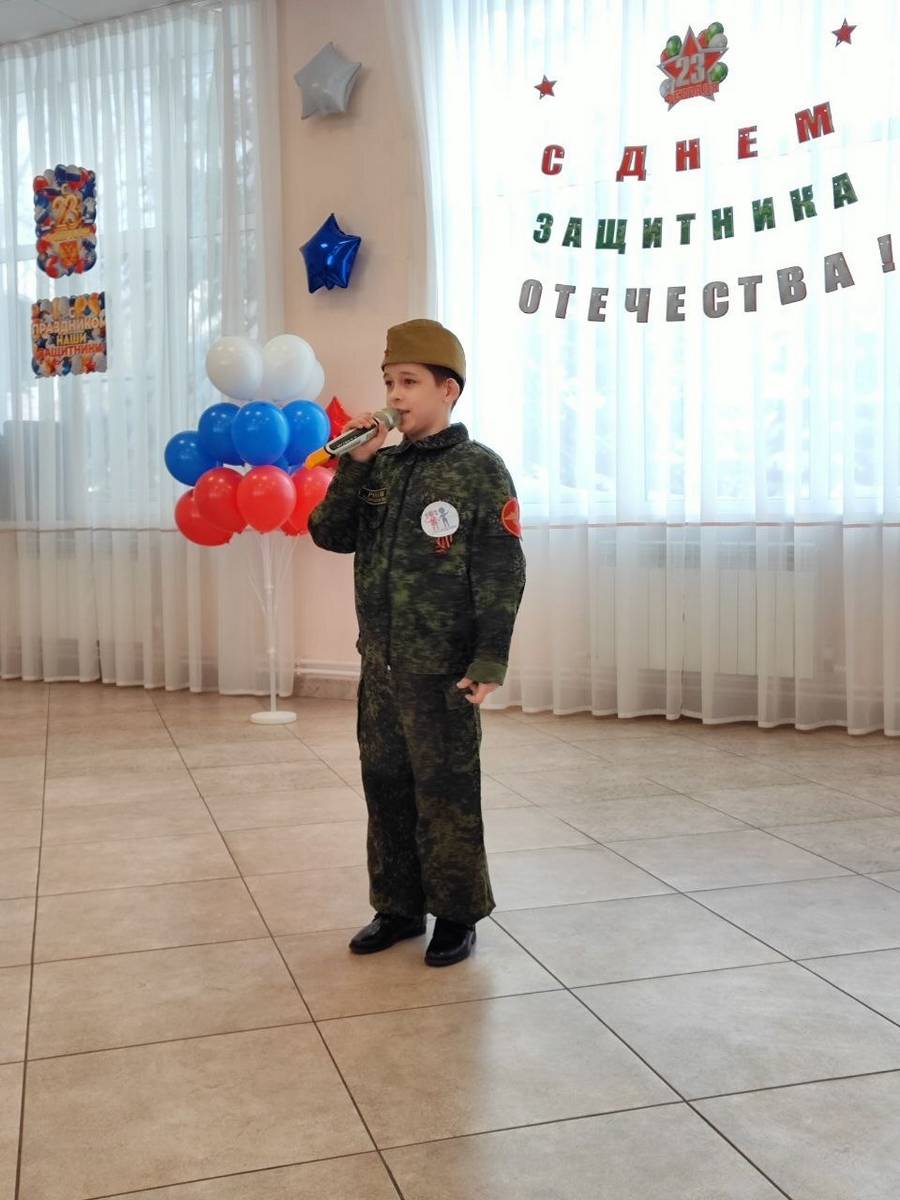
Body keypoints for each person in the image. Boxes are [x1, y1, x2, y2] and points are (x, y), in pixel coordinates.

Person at [308, 318, 526, 966]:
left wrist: (489, 657)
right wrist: (355, 467)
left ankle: (456, 914)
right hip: (381, 667)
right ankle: (397, 907)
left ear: (447, 390)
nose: (394, 395)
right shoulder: (380, 465)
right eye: (388, 383)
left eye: (408, 382)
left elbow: (501, 570)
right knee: (386, 787)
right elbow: (329, 533)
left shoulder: (479, 470)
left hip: (443, 670)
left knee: (446, 792)